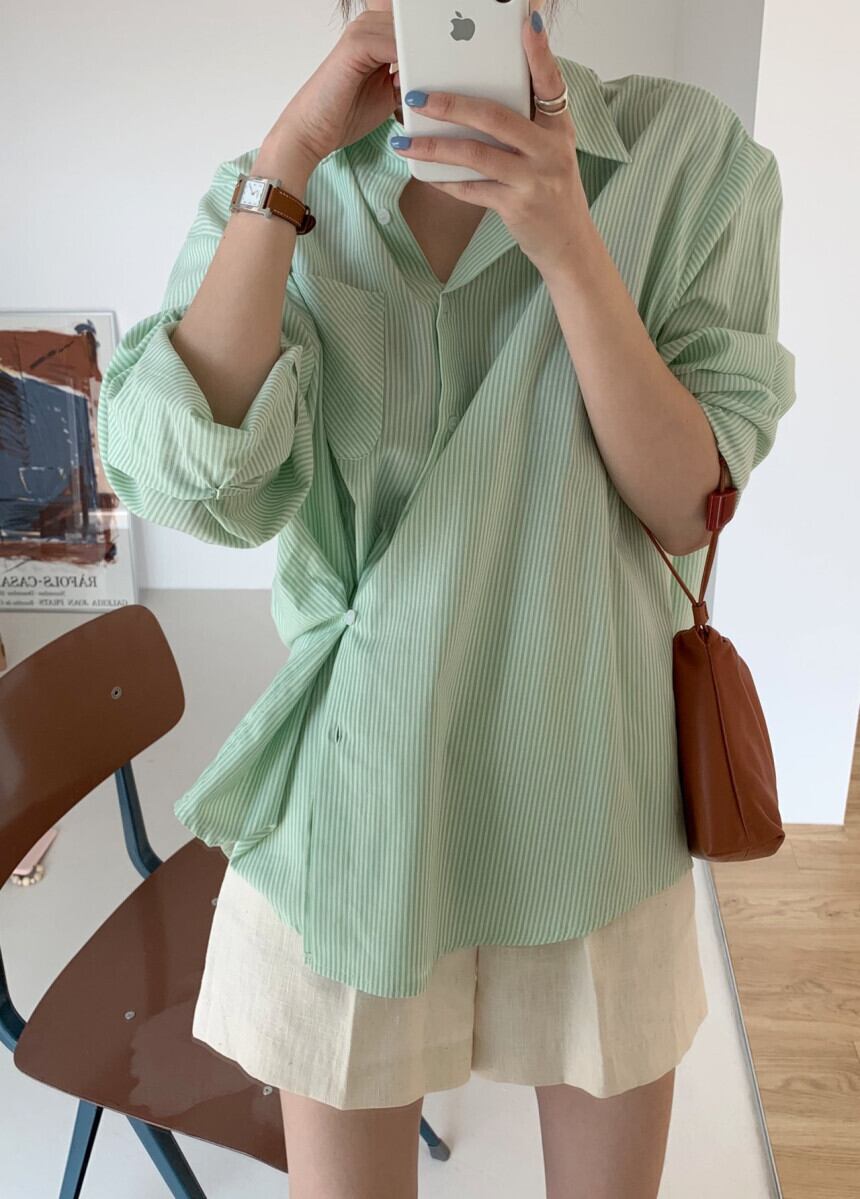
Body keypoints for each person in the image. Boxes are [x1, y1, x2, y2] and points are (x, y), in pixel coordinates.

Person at [96, 1, 796, 1195]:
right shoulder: (287, 188)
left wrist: (568, 242)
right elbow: (191, 484)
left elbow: (689, 504)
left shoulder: (685, 157)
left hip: (590, 772)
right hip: (359, 783)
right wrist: (285, 163)